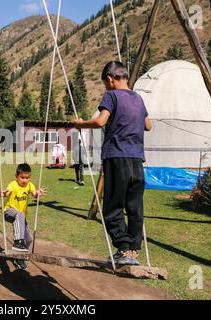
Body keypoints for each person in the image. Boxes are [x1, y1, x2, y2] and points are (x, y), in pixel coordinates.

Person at [74, 61, 152, 266]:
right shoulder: (138, 98)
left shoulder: (111, 96)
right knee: (135, 207)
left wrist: (80, 124)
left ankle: (123, 248)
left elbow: (100, 122)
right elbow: (148, 125)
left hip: (117, 157)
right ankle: (133, 249)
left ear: (110, 79)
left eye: (105, 84)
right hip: (137, 159)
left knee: (112, 206)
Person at [0, 163, 47, 270]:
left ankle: (18, 258)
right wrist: (3, 194)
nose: (25, 180)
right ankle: (18, 243)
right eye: (22, 177)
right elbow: (7, 191)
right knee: (19, 215)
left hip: (21, 217)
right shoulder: (13, 184)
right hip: (8, 212)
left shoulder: (30, 185)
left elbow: (34, 193)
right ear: (16, 176)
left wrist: (38, 193)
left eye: (27, 177)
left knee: (28, 239)